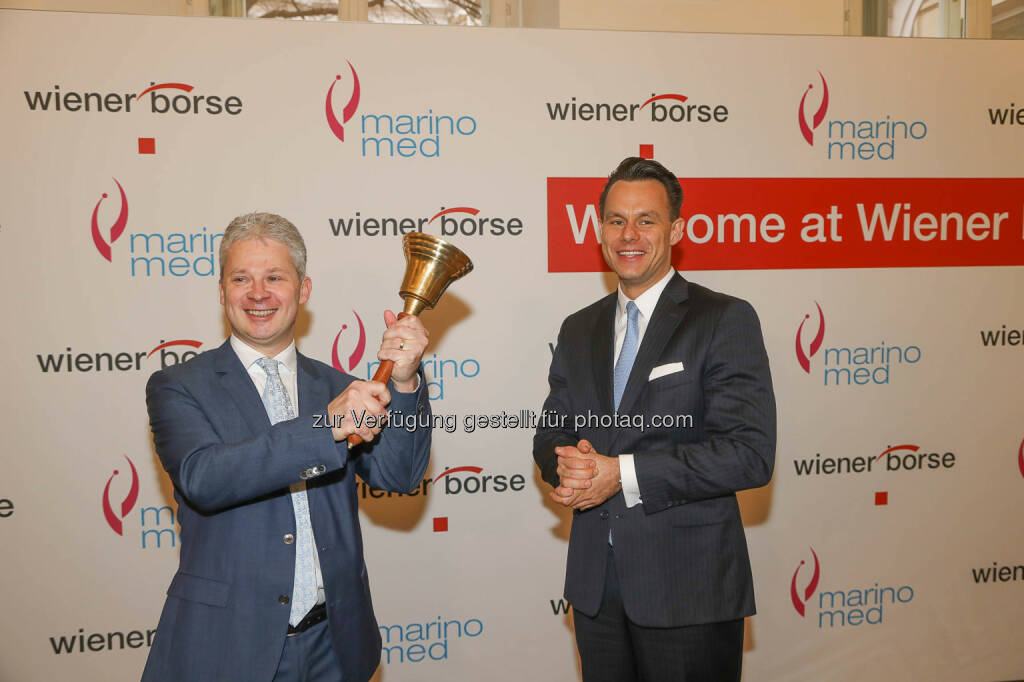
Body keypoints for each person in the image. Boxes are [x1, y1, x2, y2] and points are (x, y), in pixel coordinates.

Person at [142, 212, 431, 682]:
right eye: (242, 279)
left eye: (274, 277)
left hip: (335, 646)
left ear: (304, 290)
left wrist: (403, 380)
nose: (258, 294)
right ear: (222, 292)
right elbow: (205, 479)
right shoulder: (178, 386)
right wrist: (327, 427)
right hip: (227, 647)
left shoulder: (339, 385)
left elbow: (398, 476)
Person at [533, 157, 776, 682]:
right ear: (599, 231)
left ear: (676, 229)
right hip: (596, 586)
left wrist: (619, 473)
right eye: (617, 220)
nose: (630, 235)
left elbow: (749, 453)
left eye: (647, 220)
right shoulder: (578, 329)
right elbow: (551, 430)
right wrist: (568, 468)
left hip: (688, 587)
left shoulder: (723, 318)